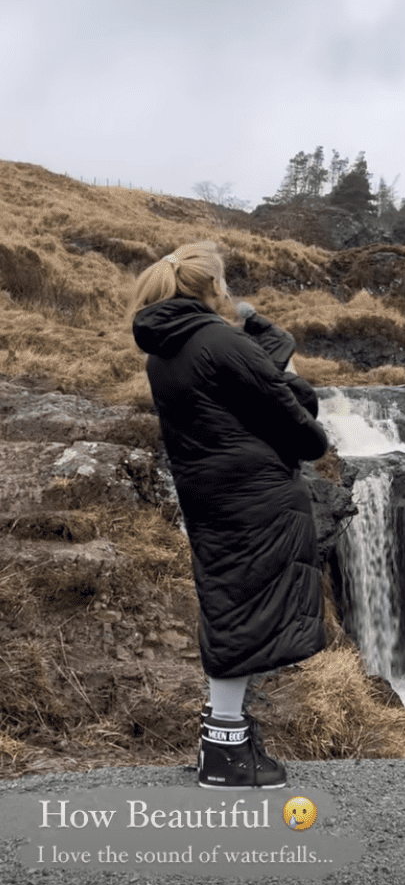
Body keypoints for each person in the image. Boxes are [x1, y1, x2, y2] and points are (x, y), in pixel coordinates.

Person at [129, 241, 329, 789]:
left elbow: (229, 396)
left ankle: (225, 742)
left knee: (230, 608)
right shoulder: (218, 340)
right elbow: (300, 430)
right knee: (242, 616)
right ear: (212, 287)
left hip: (210, 495)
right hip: (255, 496)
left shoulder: (165, 348)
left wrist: (261, 347)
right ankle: (225, 754)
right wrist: (297, 391)